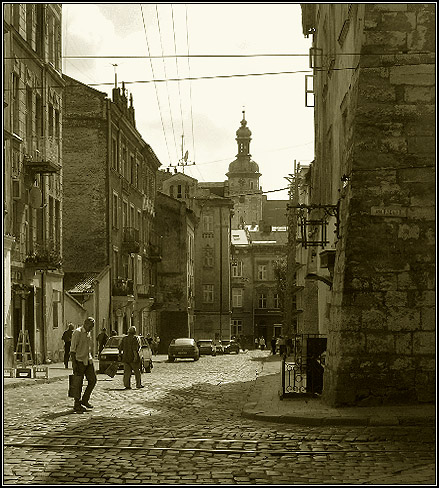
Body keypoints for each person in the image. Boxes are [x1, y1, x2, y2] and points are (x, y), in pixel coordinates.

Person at [70, 317, 97, 413]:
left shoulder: (88, 333)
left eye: (92, 326)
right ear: (85, 323)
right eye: (90, 326)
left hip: (88, 360)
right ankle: (77, 404)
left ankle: (85, 400)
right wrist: (74, 364)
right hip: (79, 361)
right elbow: (72, 350)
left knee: (93, 380)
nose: (91, 328)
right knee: (78, 383)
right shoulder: (77, 333)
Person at [118, 326, 144, 390]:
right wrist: (135, 357)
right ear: (134, 332)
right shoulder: (134, 338)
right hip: (132, 358)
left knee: (127, 373)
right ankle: (138, 384)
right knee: (137, 372)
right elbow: (135, 349)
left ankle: (127, 385)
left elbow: (120, 348)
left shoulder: (124, 339)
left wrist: (120, 355)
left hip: (125, 358)